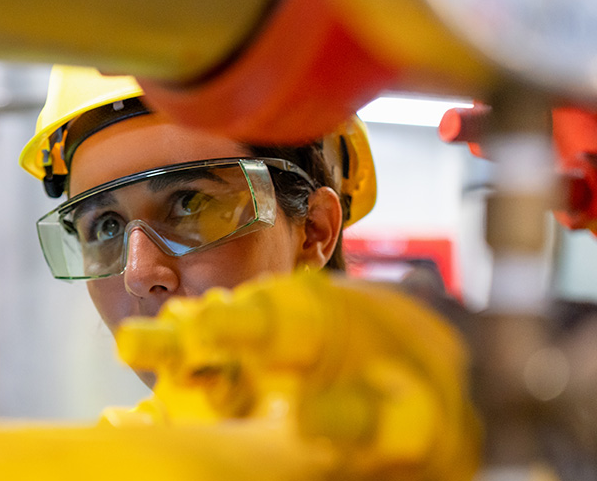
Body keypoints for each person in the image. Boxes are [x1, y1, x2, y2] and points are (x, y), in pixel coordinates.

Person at [20, 65, 376, 387]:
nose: (138, 275)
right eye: (106, 227)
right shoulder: (126, 442)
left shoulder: (402, 430)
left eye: (190, 204)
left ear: (314, 231)